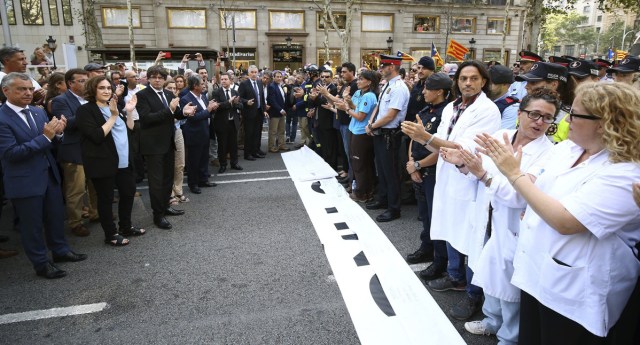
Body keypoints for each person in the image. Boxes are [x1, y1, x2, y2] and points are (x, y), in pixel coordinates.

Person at [477, 81, 640, 344]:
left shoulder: (627, 171)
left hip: (575, 290)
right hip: (535, 273)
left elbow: (565, 220)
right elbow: (533, 187)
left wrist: (513, 174)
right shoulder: (567, 148)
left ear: (604, 123)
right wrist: (528, 193)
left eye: (574, 114)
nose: (567, 120)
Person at [441, 89, 559, 344]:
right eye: (534, 114)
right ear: (519, 114)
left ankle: (509, 337)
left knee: (510, 287)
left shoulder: (549, 155)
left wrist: (483, 175)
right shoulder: (500, 137)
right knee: (489, 272)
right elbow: (477, 170)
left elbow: (520, 195)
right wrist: (461, 163)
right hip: (488, 218)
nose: (540, 122)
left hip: (514, 226)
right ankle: (492, 322)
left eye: (547, 118)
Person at [401, 60, 501, 320]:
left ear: (483, 82)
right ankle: (455, 276)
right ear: (457, 82)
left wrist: (426, 137)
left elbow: (464, 149)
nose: (468, 82)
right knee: (450, 230)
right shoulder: (452, 108)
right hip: (447, 179)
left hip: (470, 183)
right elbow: (444, 147)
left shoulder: (488, 111)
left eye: (474, 78)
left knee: (472, 240)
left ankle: (473, 294)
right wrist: (427, 145)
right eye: (463, 78)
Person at [0, 72, 87, 279]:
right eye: (21, 89)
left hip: (49, 175)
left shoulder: (37, 112)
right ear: (6, 91)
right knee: (32, 227)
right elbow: (10, 153)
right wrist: (46, 137)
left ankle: (61, 251)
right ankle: (41, 264)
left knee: (56, 217)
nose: (28, 93)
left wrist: (57, 133)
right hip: (25, 181)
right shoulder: (2, 118)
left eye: (30, 88)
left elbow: (50, 142)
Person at [76, 76, 146, 246]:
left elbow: (129, 129)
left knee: (128, 193)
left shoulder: (113, 106)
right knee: (106, 199)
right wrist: (113, 116)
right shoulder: (86, 110)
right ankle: (111, 234)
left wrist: (128, 111)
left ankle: (126, 227)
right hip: (103, 162)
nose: (107, 91)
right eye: (101, 88)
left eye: (109, 87)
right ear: (93, 90)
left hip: (124, 161)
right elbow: (97, 136)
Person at [404, 73, 453, 278]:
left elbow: (440, 147)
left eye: (427, 88)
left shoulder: (446, 114)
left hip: (433, 171)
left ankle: (440, 260)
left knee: (436, 217)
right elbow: (414, 139)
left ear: (440, 91)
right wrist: (412, 164)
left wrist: (418, 164)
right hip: (418, 169)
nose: (422, 92)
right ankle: (427, 247)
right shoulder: (425, 110)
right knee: (424, 215)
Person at [135, 66, 196, 230]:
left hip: (168, 143)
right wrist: (169, 109)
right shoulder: (141, 96)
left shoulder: (168, 94)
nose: (157, 80)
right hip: (153, 146)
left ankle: (166, 206)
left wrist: (184, 112)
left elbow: (174, 115)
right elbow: (147, 119)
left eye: (160, 77)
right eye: (154, 77)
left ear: (164, 79)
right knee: (156, 182)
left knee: (168, 178)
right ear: (148, 78)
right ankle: (157, 215)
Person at [51, 68, 99, 236]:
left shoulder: (91, 99)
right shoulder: (60, 101)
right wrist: (90, 113)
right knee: (77, 189)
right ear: (70, 83)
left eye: (86, 80)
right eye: (81, 81)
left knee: (95, 185)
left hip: (93, 148)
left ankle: (95, 213)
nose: (85, 83)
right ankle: (75, 222)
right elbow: (66, 123)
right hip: (73, 150)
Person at [365, 54, 410, 222]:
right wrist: (371, 122)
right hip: (380, 132)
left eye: (383, 66)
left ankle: (394, 208)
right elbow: (378, 107)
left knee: (391, 173)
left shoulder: (398, 87)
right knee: (382, 170)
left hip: (390, 135)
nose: (381, 69)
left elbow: (391, 115)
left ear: (392, 67)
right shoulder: (388, 85)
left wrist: (372, 126)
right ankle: (383, 199)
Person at [335, 70, 379, 202]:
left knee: (360, 164)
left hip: (361, 133)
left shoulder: (369, 96)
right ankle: (366, 190)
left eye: (361, 79)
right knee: (361, 163)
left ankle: (362, 193)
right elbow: (357, 108)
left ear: (369, 82)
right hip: (355, 130)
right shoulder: (361, 93)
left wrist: (346, 108)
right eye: (358, 79)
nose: (358, 82)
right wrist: (348, 102)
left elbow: (360, 116)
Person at [179, 75, 218, 194]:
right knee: (193, 161)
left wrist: (212, 108)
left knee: (203, 159)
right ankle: (193, 184)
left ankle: (203, 179)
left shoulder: (203, 97)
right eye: (202, 84)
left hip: (205, 132)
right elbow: (193, 118)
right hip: (194, 134)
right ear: (195, 86)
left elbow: (206, 112)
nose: (204, 85)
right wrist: (208, 110)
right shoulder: (186, 99)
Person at [164, 80, 189, 205]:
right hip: (165, 133)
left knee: (180, 164)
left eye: (174, 88)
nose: (172, 90)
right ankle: (170, 194)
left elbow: (180, 116)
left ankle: (178, 191)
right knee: (168, 166)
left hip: (177, 131)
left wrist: (185, 112)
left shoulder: (176, 99)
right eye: (169, 88)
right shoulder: (162, 100)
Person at [211, 73, 243, 173]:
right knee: (222, 145)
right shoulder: (216, 92)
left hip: (233, 122)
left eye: (225, 79)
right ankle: (223, 165)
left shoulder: (235, 92)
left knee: (233, 145)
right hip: (221, 123)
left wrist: (236, 103)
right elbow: (218, 106)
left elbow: (241, 106)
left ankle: (234, 163)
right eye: (222, 79)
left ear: (230, 80)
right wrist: (229, 102)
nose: (223, 81)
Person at [238, 65, 266, 161]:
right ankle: (248, 153)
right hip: (249, 113)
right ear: (248, 73)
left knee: (258, 133)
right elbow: (239, 98)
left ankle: (256, 150)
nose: (254, 74)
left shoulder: (259, 82)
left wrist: (264, 110)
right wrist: (246, 102)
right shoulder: (244, 84)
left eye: (255, 72)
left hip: (259, 111)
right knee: (249, 134)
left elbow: (261, 97)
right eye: (252, 72)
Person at [267, 70, 290, 153]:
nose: (279, 78)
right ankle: (271, 147)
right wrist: (280, 110)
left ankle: (281, 145)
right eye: (277, 77)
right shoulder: (272, 86)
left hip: (282, 112)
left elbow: (283, 99)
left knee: (281, 130)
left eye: (280, 77)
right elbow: (272, 100)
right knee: (273, 131)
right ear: (273, 77)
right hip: (275, 112)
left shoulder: (280, 86)